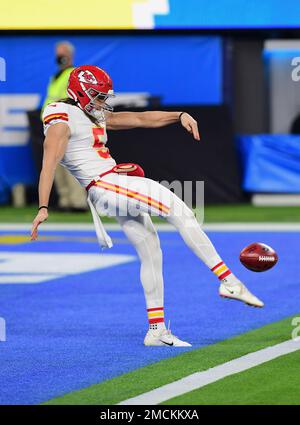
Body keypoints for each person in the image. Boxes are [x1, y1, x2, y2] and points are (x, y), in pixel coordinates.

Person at [31, 66, 264, 347]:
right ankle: (228, 281)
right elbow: (49, 163)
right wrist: (43, 206)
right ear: (80, 92)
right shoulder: (61, 117)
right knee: (179, 210)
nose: (101, 102)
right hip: (105, 184)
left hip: (111, 184)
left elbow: (139, 118)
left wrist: (178, 116)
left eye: (104, 96)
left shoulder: (90, 112)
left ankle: (156, 329)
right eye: (97, 95)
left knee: (151, 250)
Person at [42, 41, 87, 211]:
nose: (59, 56)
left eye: (63, 53)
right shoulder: (56, 76)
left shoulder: (72, 74)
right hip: (52, 124)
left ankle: (78, 202)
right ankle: (65, 201)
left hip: (65, 124)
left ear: (70, 55)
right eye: (58, 53)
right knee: (56, 164)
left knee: (70, 163)